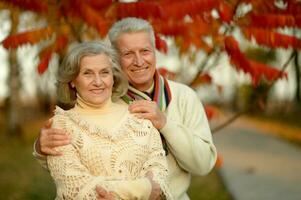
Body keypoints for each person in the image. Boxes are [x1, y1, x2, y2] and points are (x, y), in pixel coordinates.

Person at [34, 17, 217, 200]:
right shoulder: (103, 98)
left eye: (145, 51)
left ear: (155, 52)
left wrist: (165, 124)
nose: (138, 61)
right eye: (128, 54)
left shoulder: (184, 96)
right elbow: (68, 166)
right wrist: (41, 148)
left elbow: (203, 165)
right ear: (115, 59)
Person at [39, 41, 173, 200]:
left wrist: (114, 192)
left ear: (113, 77)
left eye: (104, 72)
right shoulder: (61, 125)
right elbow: (75, 188)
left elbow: (159, 171)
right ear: (73, 81)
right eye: (87, 73)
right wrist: (144, 188)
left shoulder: (138, 116)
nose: (98, 81)